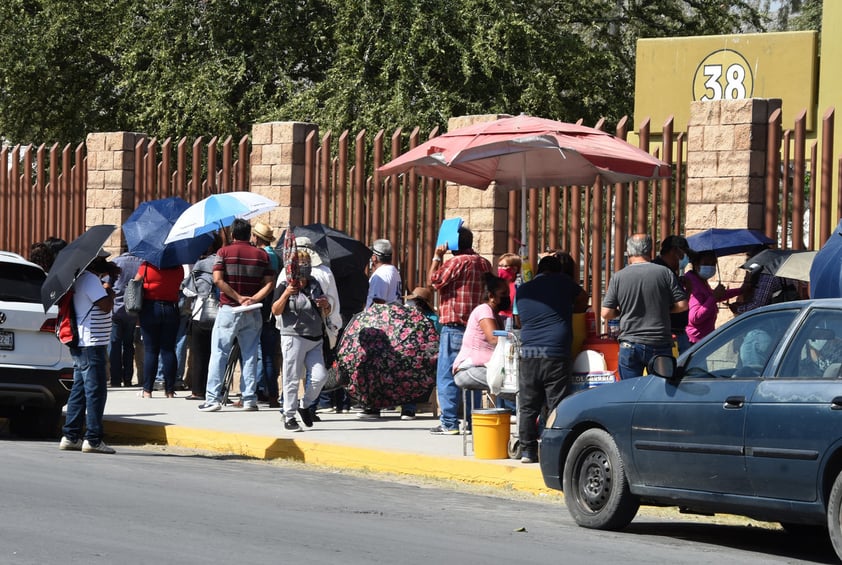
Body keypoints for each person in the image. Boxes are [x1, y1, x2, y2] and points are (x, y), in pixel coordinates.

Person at [515, 254, 588, 463]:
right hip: (555, 350)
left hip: (529, 351)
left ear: (538, 270)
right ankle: (553, 450)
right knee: (557, 402)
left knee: (528, 405)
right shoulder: (563, 283)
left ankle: (527, 451)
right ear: (557, 271)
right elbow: (584, 298)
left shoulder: (524, 289)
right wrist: (570, 310)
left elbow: (519, 320)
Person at [198, 218, 275, 412]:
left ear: (232, 234)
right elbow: (269, 283)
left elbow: (217, 280)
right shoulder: (261, 256)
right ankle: (249, 398)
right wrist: (253, 299)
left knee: (219, 353)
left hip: (229, 309)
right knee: (250, 354)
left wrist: (238, 297)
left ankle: (213, 398)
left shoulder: (223, 252)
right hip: (253, 310)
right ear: (250, 234)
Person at [428, 226, 492, 435]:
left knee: (447, 374)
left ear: (453, 243)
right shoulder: (484, 263)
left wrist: (437, 256)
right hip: (477, 327)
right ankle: (474, 421)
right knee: (472, 374)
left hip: (454, 326)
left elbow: (434, 280)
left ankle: (449, 422)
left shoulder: (456, 262)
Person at [601, 234, 688, 380]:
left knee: (630, 390)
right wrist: (665, 310)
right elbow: (682, 305)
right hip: (659, 343)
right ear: (650, 250)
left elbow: (606, 313)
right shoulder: (664, 273)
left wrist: (622, 312)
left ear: (628, 251)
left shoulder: (618, 277)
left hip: (630, 344)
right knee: (660, 390)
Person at [59, 250, 118, 454]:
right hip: (92, 343)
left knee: (79, 390)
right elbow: (105, 306)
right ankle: (93, 439)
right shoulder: (91, 280)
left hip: (83, 342)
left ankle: (71, 435)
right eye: (103, 260)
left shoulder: (80, 278)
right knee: (96, 391)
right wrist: (110, 290)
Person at [272, 250, 332, 431]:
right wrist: (286, 294)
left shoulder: (315, 284)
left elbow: (325, 312)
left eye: (307, 264)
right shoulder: (285, 285)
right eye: (301, 264)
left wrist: (325, 305)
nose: (304, 268)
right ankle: (289, 415)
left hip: (315, 337)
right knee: (291, 378)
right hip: (293, 336)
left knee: (320, 377)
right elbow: (275, 310)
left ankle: (304, 405)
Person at [134, 260, 184, 398]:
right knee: (168, 349)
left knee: (151, 350)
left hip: (150, 307)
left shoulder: (146, 265)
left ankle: (147, 390)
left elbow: (135, 283)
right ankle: (169, 391)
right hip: (171, 307)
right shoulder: (178, 267)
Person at [451, 273, 509, 390]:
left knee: (514, 384)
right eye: (503, 294)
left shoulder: (497, 316)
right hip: (469, 369)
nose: (507, 297)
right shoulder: (484, 309)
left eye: (507, 293)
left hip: (484, 366)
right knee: (511, 385)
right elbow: (493, 339)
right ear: (491, 296)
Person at [182, 236, 222, 400]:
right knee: (218, 354)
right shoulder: (223, 263)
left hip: (200, 314)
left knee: (199, 355)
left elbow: (189, 291)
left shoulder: (200, 265)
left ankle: (198, 391)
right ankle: (216, 390)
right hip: (221, 314)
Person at [685, 250, 743, 345]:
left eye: (713, 264)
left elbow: (713, 296)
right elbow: (695, 317)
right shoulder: (693, 284)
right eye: (706, 263)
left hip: (703, 339)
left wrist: (740, 290)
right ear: (696, 265)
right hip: (694, 341)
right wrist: (714, 297)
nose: (710, 267)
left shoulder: (700, 281)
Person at [251, 222, 281, 406]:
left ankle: (257, 392)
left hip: (262, 308)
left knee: (257, 353)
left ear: (257, 237)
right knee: (269, 355)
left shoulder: (263, 256)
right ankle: (271, 395)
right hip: (272, 309)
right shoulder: (276, 255)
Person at [652, 235, 692, 353]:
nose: (686, 258)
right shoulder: (662, 271)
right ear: (675, 251)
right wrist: (688, 291)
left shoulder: (669, 272)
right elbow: (677, 305)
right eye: (684, 253)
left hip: (674, 332)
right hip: (667, 334)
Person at [109, 250, 142, 387]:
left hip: (116, 309)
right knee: (129, 345)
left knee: (115, 345)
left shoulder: (116, 262)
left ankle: (116, 379)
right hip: (133, 310)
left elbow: (107, 284)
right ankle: (128, 378)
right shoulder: (141, 263)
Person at [365, 238, 402, 307]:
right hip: (392, 314)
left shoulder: (381, 274)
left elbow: (378, 303)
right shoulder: (393, 270)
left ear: (374, 258)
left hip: (380, 316)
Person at [496, 252, 521, 319]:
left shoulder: (518, 286)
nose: (500, 269)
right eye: (499, 266)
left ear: (514, 269)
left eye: (505, 266)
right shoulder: (496, 285)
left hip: (511, 320)